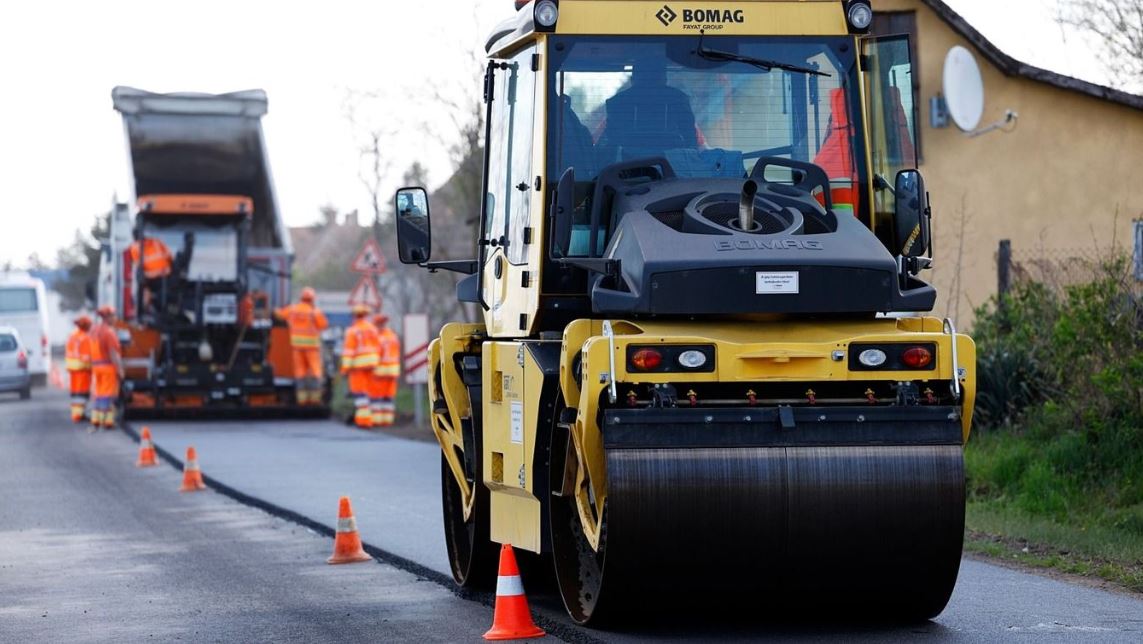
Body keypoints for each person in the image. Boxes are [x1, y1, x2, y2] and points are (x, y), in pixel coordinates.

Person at [598, 58, 697, 158]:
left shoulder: (617, 103)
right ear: (664, 80)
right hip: (674, 169)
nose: (649, 93)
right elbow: (691, 143)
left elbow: (611, 142)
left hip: (624, 170)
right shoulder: (678, 100)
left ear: (633, 80)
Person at [274, 287, 330, 406]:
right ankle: (315, 400)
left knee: (300, 372)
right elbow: (324, 325)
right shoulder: (314, 312)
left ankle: (302, 400)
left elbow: (280, 315)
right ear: (312, 299)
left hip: (297, 346)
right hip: (312, 348)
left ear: (301, 298)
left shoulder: (293, 309)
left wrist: (274, 309)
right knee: (315, 371)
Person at [341, 305, 380, 428]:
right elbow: (378, 346)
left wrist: (345, 369)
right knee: (369, 392)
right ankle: (372, 418)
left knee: (360, 393)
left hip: (357, 366)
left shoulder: (352, 331)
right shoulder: (372, 329)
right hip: (372, 364)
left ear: (354, 316)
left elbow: (349, 351)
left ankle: (363, 421)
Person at [88, 306, 123, 432]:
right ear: (107, 317)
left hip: (96, 368)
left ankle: (96, 419)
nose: (115, 318)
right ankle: (107, 421)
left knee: (99, 394)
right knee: (107, 395)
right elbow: (113, 353)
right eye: (114, 315)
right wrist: (120, 370)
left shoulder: (94, 330)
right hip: (108, 368)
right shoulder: (109, 332)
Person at [371, 314, 401, 427]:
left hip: (380, 371)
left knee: (377, 397)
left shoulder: (378, 338)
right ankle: (387, 420)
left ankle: (377, 420)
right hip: (393, 370)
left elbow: (375, 355)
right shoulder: (393, 336)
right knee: (388, 397)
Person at [64, 315, 93, 424]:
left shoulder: (73, 335)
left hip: (73, 369)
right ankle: (79, 414)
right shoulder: (85, 337)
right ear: (86, 326)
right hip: (82, 369)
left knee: (76, 393)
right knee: (82, 393)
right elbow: (86, 356)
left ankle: (77, 413)